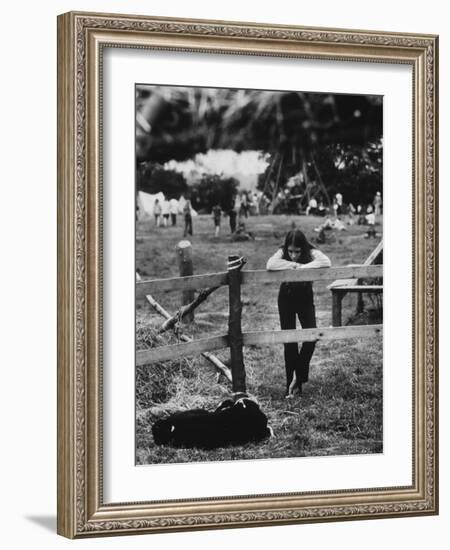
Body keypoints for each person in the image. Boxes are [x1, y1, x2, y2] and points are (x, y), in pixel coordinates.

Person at [266, 229, 331, 398]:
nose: (293, 255)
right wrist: (292, 265)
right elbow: (270, 264)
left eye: (297, 251)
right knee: (290, 341)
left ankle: (298, 376)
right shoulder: (282, 250)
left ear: (303, 248)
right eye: (290, 251)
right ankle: (292, 388)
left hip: (304, 296)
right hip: (286, 296)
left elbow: (326, 261)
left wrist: (302, 267)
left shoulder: (311, 250)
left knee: (312, 336)